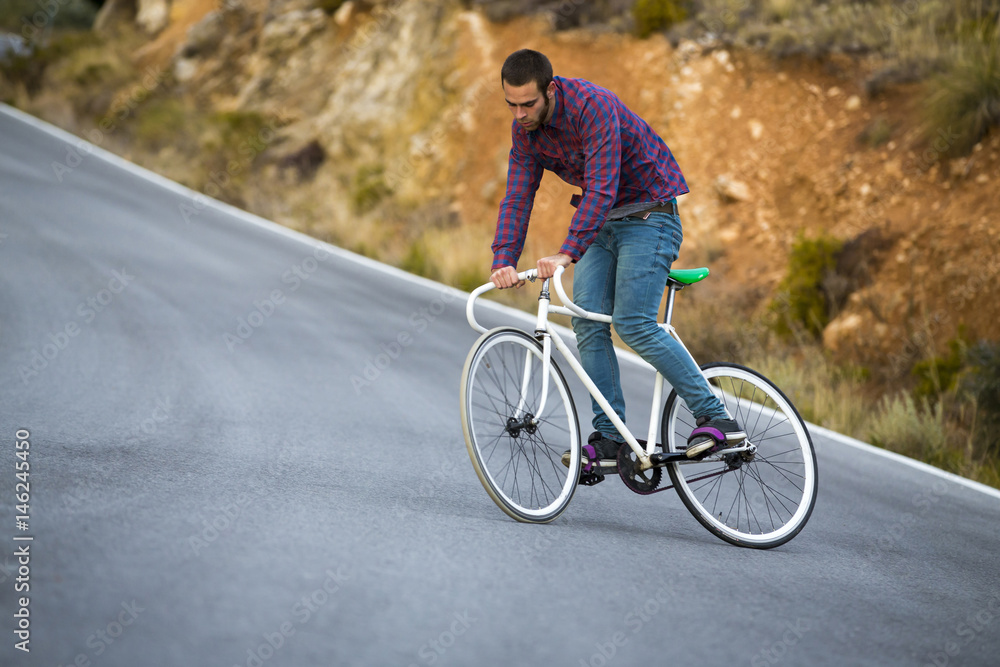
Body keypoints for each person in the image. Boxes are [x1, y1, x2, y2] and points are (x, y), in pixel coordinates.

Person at [489, 49, 745, 480]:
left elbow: (603, 187)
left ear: (550, 90)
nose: (519, 114)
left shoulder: (594, 107)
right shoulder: (525, 134)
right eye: (511, 105)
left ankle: (717, 418)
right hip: (603, 225)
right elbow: (518, 197)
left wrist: (567, 251)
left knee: (633, 323)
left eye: (527, 104)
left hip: (650, 215)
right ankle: (611, 438)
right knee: (586, 321)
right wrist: (503, 260)